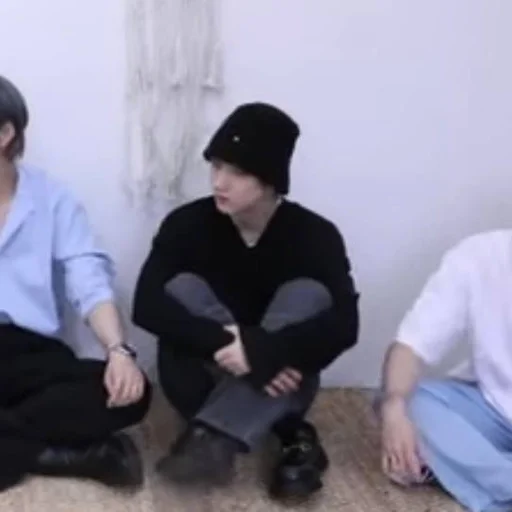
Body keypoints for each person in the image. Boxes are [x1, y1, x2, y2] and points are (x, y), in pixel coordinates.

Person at [132, 102, 359, 499]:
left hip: (285, 370)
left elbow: (346, 325)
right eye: (216, 166)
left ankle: (210, 436)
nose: (219, 182)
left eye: (238, 172)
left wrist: (263, 351)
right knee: (181, 286)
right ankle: (290, 433)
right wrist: (233, 346)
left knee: (308, 294)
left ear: (271, 180)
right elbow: (146, 305)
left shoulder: (316, 235)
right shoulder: (186, 224)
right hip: (201, 377)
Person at [0, 75, 151, 492]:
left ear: (5, 133)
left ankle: (12, 442)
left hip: (32, 354)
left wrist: (118, 351)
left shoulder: (52, 199)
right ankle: (65, 455)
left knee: (131, 392)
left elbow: (89, 279)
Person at [378, 231, 512, 512]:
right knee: (405, 402)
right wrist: (394, 409)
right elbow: (411, 345)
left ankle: (479, 483)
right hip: (494, 408)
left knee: (427, 451)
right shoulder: (480, 254)